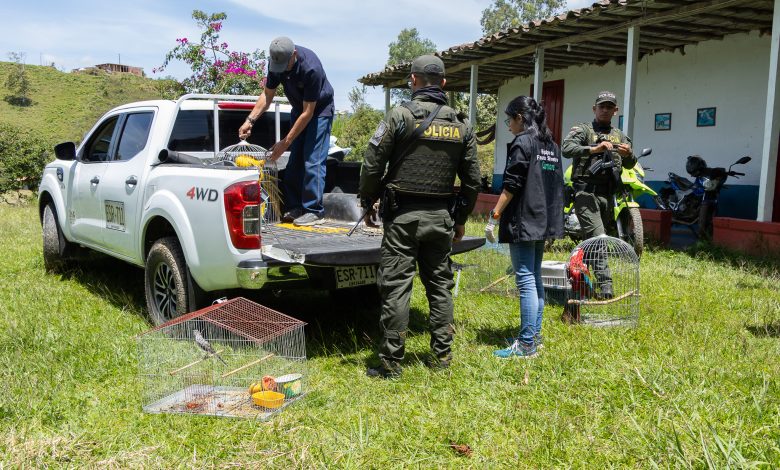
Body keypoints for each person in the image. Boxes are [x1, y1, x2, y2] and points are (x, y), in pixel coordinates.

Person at [359, 55, 481, 378]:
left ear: (412, 81)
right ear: (442, 83)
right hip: (441, 218)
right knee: (440, 285)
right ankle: (442, 358)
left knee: (397, 286)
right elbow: (472, 181)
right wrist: (461, 219)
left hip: (402, 218)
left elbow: (372, 163)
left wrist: (367, 199)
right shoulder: (461, 125)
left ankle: (391, 364)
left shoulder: (399, 116)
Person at [485, 96, 564, 359]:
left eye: (510, 120)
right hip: (544, 219)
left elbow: (512, 184)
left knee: (526, 279)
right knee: (535, 276)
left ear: (521, 117)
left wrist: (495, 215)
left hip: (524, 219)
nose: (509, 125)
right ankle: (535, 337)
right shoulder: (550, 145)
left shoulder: (523, 142)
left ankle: (527, 343)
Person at [239, 36, 334, 226]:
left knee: (312, 161)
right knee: (295, 161)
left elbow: (309, 112)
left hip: (319, 111)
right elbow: (267, 95)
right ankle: (295, 207)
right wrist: (250, 119)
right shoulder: (276, 63)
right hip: (299, 109)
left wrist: (285, 142)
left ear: (294, 55)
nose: (280, 69)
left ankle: (314, 211)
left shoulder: (311, 67)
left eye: (284, 64)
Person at [561, 91, 636, 298]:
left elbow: (631, 163)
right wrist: (595, 149)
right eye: (601, 106)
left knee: (592, 241)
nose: (605, 110)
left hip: (607, 195)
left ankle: (577, 281)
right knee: (599, 238)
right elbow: (566, 149)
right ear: (594, 109)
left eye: (609, 107)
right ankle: (606, 287)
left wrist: (628, 154)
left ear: (616, 110)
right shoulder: (583, 130)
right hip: (585, 192)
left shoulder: (620, 135)